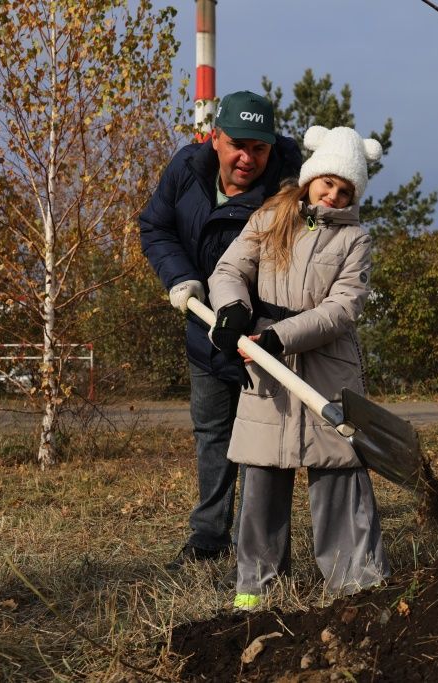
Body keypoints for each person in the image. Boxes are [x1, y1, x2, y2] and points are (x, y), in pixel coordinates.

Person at [207, 125, 389, 610]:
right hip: (266, 363)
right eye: (328, 181)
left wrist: (278, 336)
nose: (333, 193)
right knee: (264, 468)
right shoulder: (271, 216)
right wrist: (232, 311)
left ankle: (356, 583)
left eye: (345, 189)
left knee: (338, 468)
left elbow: (341, 310)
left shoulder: (356, 240)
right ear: (311, 178)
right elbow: (229, 271)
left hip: (327, 366)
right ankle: (255, 586)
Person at [139, 91, 303, 570]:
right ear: (215, 138)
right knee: (212, 433)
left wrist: (262, 323)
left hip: (261, 340)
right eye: (236, 145)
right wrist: (180, 278)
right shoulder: (186, 170)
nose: (246, 158)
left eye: (259, 148)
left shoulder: (291, 187)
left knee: (261, 443)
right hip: (204, 330)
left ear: (272, 149)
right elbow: (155, 226)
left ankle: (256, 547)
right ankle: (208, 537)